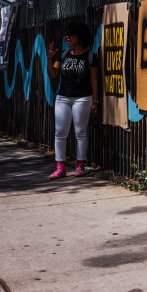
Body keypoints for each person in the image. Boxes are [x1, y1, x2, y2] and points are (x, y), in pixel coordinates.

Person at [46, 20, 99, 178]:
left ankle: (80, 166)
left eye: (70, 34)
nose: (67, 37)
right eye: (66, 34)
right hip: (63, 97)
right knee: (60, 132)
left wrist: (95, 102)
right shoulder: (63, 54)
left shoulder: (90, 56)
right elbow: (53, 75)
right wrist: (49, 58)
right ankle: (60, 167)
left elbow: (94, 80)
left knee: (80, 133)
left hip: (83, 98)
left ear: (80, 36)